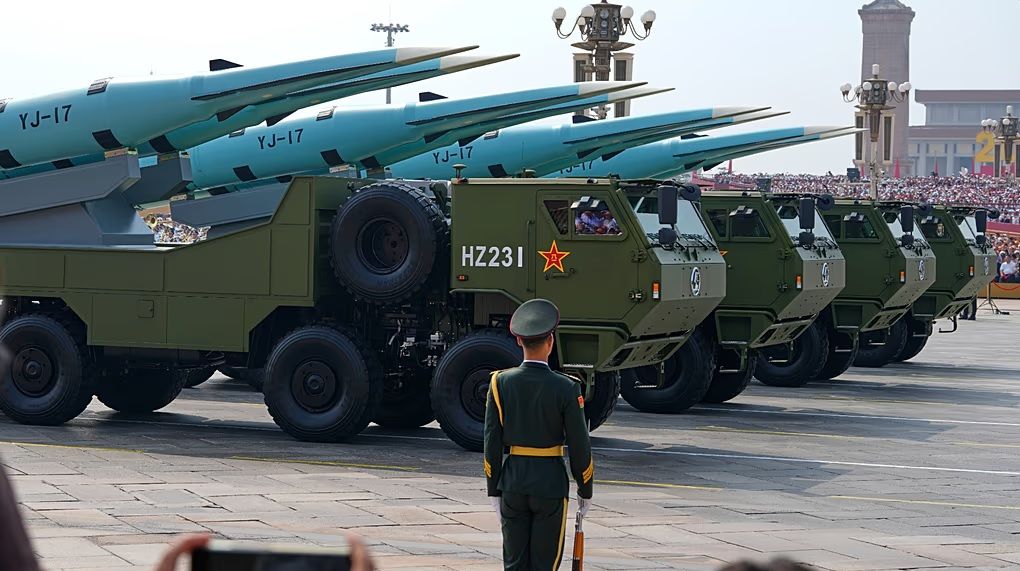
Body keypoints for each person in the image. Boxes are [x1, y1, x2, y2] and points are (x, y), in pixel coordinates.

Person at [484, 298, 593, 571]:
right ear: (551, 341)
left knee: (514, 565)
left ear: (519, 341)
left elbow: (491, 442)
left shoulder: (500, 382)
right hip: (550, 485)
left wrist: (493, 490)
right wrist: (585, 487)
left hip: (512, 483)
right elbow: (580, 444)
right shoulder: (567, 388)